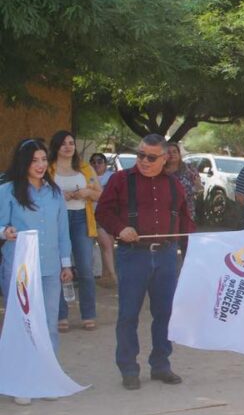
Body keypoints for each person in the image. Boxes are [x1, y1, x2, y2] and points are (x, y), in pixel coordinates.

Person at [96, 134, 196, 390]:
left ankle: (161, 365)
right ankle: (129, 368)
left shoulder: (175, 185)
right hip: (133, 255)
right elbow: (103, 212)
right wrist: (120, 229)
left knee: (165, 314)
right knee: (128, 314)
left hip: (166, 255)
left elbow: (185, 221)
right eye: (140, 154)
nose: (144, 161)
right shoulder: (121, 180)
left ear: (165, 159)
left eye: (151, 157)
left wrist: (196, 252)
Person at [0, 138, 74, 404]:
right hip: (21, 270)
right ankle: (22, 380)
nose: (41, 165)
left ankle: (46, 376)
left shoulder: (54, 193)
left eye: (44, 159)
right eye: (35, 160)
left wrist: (66, 264)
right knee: (23, 324)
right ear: (24, 163)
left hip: (51, 268)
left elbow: (63, 231)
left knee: (49, 324)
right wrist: (4, 232)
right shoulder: (8, 191)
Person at [47, 130, 101, 332]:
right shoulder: (49, 169)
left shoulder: (85, 168)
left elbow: (99, 194)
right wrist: (60, 195)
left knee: (85, 268)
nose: (68, 147)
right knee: (60, 268)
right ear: (56, 147)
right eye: (63, 144)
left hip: (81, 219)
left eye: (71, 143)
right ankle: (61, 315)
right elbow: (41, 194)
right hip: (56, 222)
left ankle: (88, 314)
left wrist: (87, 192)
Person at [88, 153, 118, 287]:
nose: (96, 164)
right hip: (92, 214)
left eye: (100, 161)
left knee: (109, 245)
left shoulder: (112, 177)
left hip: (109, 214)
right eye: (93, 162)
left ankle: (107, 275)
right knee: (105, 245)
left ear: (105, 164)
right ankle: (112, 275)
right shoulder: (86, 176)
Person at [164, 142, 203, 222]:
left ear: (179, 153)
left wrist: (198, 187)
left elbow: (199, 189)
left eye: (175, 152)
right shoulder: (159, 170)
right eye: (169, 152)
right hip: (166, 211)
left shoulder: (190, 169)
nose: (172, 154)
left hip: (186, 210)